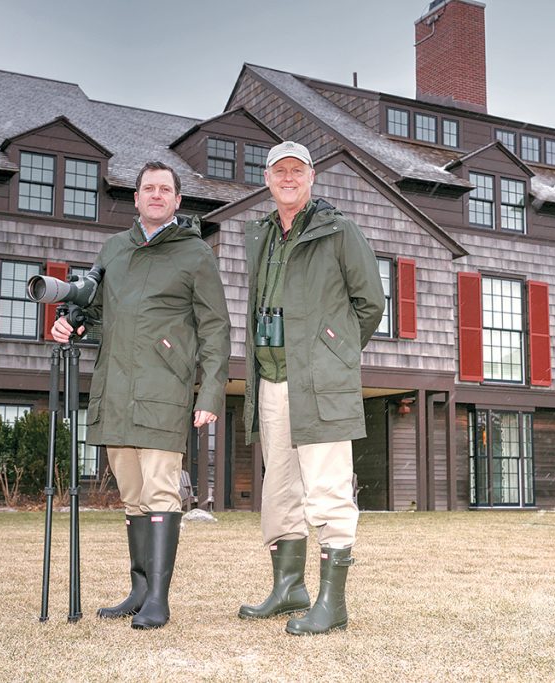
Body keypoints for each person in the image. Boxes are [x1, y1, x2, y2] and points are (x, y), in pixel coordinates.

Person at [52, 160, 230, 630]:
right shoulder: (114, 249)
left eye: (164, 189)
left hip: (164, 388)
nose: (156, 195)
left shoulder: (195, 254)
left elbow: (215, 327)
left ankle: (158, 599)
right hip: (114, 387)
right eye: (147, 188)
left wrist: (209, 391)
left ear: (176, 200)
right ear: (136, 199)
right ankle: (138, 588)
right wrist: (72, 323)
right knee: (132, 494)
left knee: (160, 491)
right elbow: (97, 312)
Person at [237, 141, 384, 635]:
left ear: (311, 177)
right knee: (280, 488)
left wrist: (332, 353)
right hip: (270, 378)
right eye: (280, 171)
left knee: (326, 487)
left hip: (320, 381)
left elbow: (371, 302)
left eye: (296, 170)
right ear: (267, 178)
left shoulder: (338, 230)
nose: (288, 178)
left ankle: (332, 605)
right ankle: (288, 588)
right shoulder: (259, 234)